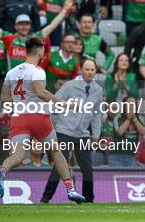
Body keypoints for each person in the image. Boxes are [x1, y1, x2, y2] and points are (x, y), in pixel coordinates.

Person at [0, 36, 85, 203]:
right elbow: (41, 93)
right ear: (40, 52)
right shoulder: (37, 71)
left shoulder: (11, 72)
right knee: (56, 151)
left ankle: (3, 170)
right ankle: (71, 190)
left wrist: (20, 105)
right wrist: (67, 105)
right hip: (38, 117)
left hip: (19, 117)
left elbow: (4, 99)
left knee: (18, 156)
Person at [41, 58, 103, 203]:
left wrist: (96, 135)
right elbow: (53, 103)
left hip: (83, 134)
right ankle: (45, 198)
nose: (90, 72)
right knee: (59, 167)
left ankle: (89, 199)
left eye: (92, 69)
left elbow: (96, 114)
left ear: (96, 71)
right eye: (87, 69)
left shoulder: (98, 90)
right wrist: (65, 107)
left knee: (87, 168)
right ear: (80, 70)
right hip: (64, 131)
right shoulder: (69, 86)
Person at [0, 0, 73, 70]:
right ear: (16, 26)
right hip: (13, 85)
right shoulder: (9, 38)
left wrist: (65, 9)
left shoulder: (35, 38)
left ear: (30, 26)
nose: (24, 27)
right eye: (21, 24)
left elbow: (52, 25)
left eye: (27, 24)